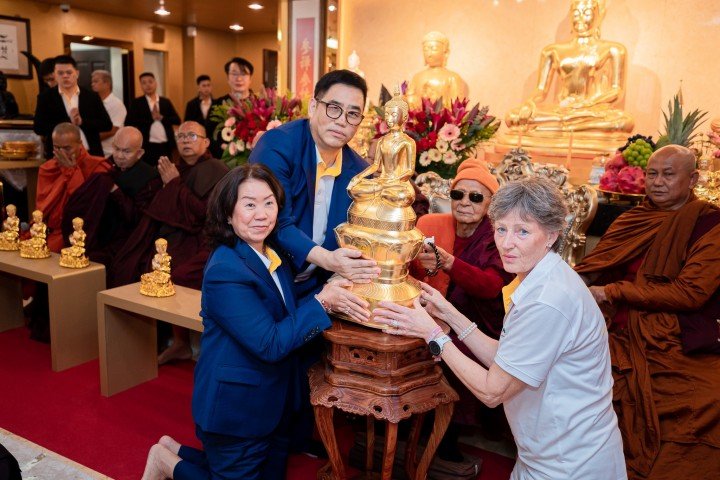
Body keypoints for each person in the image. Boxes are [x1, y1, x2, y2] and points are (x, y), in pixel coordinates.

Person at [374, 177, 627, 479]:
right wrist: (449, 313)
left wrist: (432, 334)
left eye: (523, 231)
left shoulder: (547, 300)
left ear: (551, 235)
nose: (507, 244)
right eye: (501, 229)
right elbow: (506, 358)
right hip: (547, 451)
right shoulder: (540, 277)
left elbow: (492, 391)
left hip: (570, 461)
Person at [141, 163, 365, 479]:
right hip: (236, 407)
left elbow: (285, 314)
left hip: (273, 400)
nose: (262, 214)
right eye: (249, 205)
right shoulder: (226, 270)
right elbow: (269, 343)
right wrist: (322, 301)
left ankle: (174, 450)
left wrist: (331, 288)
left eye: (268, 203)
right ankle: (167, 462)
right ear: (227, 214)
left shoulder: (270, 252)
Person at [575, 145, 720, 480]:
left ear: (692, 179)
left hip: (676, 332)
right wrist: (571, 283)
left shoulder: (710, 225)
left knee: (705, 397)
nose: (657, 182)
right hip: (616, 323)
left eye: (668, 174)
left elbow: (690, 293)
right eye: (652, 174)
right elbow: (597, 265)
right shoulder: (633, 218)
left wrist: (612, 291)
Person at [410, 157, 514, 460]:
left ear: (490, 204)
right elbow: (414, 272)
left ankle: (447, 436)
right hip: (433, 310)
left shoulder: (497, 236)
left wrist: (451, 263)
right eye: (458, 194)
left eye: (476, 197)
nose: (465, 202)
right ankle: (407, 422)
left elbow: (490, 285)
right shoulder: (433, 227)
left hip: (479, 321)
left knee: (457, 350)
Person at [249, 69, 380, 300]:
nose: (342, 121)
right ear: (312, 107)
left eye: (352, 114)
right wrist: (329, 259)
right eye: (334, 108)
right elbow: (275, 222)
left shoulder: (360, 173)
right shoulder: (278, 147)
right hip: (263, 279)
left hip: (319, 285)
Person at [110, 121, 228, 361]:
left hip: (207, 239)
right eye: (181, 136)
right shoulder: (174, 169)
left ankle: (185, 341)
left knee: (176, 271)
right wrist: (170, 184)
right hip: (177, 235)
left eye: (192, 136)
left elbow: (203, 215)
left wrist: (174, 184)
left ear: (206, 142)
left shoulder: (217, 170)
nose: (185, 140)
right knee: (137, 263)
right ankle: (149, 338)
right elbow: (161, 208)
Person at [62, 126, 161, 266]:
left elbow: (138, 219)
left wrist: (115, 191)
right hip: (102, 233)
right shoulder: (106, 167)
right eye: (117, 149)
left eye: (126, 151)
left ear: (139, 153)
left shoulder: (150, 178)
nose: (119, 156)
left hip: (128, 240)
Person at [36, 122, 110, 252]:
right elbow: (42, 209)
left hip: (84, 234)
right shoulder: (47, 169)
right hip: (50, 232)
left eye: (67, 148)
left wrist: (71, 171)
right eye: (57, 148)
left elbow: (87, 206)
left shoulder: (97, 168)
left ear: (80, 144)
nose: (62, 154)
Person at [33, 55, 112, 158]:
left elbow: (107, 125)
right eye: (60, 73)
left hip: (90, 153)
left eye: (69, 72)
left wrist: (82, 121)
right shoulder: (45, 97)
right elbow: (38, 128)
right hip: (59, 156)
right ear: (55, 75)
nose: (65, 76)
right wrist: (68, 121)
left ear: (77, 74)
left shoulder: (91, 96)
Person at [125, 72, 181, 166]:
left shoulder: (165, 102)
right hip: (147, 145)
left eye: (150, 82)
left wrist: (161, 118)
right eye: (144, 83)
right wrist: (151, 119)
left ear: (155, 83)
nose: (148, 85)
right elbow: (129, 123)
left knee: (166, 169)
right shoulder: (137, 103)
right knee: (148, 170)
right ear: (141, 86)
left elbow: (177, 120)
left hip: (166, 145)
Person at [406, 31, 469, 109]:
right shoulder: (417, 77)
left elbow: (457, 106)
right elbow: (408, 100)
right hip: (420, 115)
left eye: (434, 49)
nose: (429, 54)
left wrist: (438, 105)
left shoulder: (453, 77)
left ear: (446, 52)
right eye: (425, 49)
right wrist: (411, 100)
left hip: (443, 116)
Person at [207, 57, 255, 158]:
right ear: (228, 78)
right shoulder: (217, 104)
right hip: (224, 159)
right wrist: (223, 147)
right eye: (234, 74)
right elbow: (209, 135)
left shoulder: (259, 104)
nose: (239, 79)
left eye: (243, 74)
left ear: (250, 78)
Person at [91, 69, 127, 157]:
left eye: (96, 81)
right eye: (92, 82)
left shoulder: (116, 104)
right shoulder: (93, 102)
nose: (92, 84)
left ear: (107, 83)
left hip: (110, 152)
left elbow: (113, 130)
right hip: (96, 150)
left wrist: (90, 138)